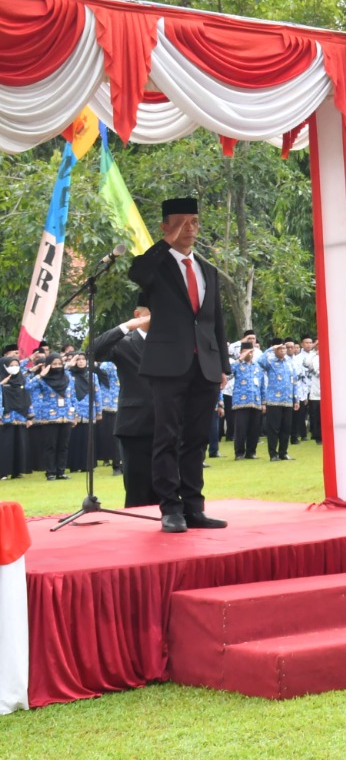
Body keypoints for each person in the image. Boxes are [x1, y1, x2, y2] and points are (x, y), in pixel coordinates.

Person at [127, 197, 230, 533]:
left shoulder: (207, 269)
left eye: (195, 222)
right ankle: (170, 508)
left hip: (206, 365)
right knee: (167, 437)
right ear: (165, 227)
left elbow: (216, 321)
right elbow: (137, 272)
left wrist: (224, 365)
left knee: (197, 438)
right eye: (182, 222)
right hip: (168, 365)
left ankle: (193, 507)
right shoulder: (156, 266)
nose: (190, 229)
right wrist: (166, 243)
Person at [91, 308, 158, 506]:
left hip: (169, 420)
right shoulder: (124, 343)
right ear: (139, 314)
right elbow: (93, 350)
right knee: (137, 481)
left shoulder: (170, 342)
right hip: (135, 422)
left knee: (169, 479)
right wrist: (125, 327)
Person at [260, 339, 299, 462]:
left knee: (286, 428)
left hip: (287, 400)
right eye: (280, 349)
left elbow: (295, 381)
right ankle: (273, 454)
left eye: (284, 349)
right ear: (275, 350)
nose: (283, 351)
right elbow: (259, 361)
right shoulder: (270, 362)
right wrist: (271, 349)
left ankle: (283, 452)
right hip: (274, 400)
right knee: (273, 429)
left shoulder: (290, 362)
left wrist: (296, 399)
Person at [230, 343, 264, 459]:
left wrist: (263, 402)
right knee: (241, 429)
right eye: (246, 351)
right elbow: (228, 373)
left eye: (251, 351)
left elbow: (262, 385)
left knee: (254, 429)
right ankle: (239, 453)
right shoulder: (237, 365)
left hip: (256, 401)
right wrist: (240, 359)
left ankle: (251, 452)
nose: (249, 354)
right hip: (240, 401)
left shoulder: (257, 367)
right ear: (241, 352)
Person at [0, 357, 31, 480]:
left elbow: (27, 398)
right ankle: (3, 471)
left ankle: (17, 470)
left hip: (20, 417)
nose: (14, 367)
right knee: (5, 445)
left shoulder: (21, 380)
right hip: (5, 418)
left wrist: (29, 416)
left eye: (16, 364)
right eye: (11, 365)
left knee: (19, 444)